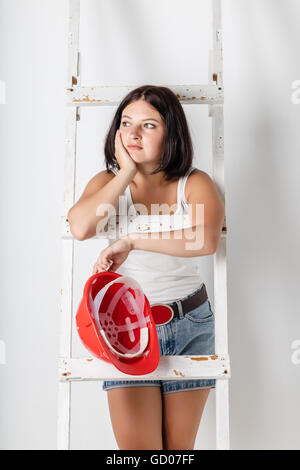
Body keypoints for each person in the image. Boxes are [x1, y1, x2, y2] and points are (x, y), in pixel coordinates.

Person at [67, 85, 225, 450]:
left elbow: (204, 240)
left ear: (171, 133)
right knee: (139, 453)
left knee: (178, 451)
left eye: (149, 125)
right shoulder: (108, 183)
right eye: (126, 123)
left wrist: (133, 240)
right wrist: (126, 172)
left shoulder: (194, 182)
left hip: (190, 323)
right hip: (125, 328)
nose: (133, 134)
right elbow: (80, 227)